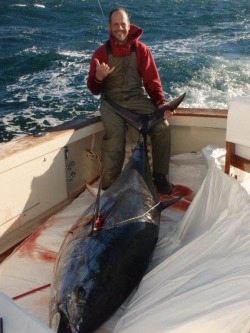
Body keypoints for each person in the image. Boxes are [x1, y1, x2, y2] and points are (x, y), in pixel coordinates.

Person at [87, 8, 174, 194]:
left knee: (162, 127)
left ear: (129, 24)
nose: (120, 28)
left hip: (136, 98)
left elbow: (151, 81)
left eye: (123, 24)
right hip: (112, 102)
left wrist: (160, 104)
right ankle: (110, 185)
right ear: (109, 26)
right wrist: (99, 77)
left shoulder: (141, 49)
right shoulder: (101, 53)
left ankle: (160, 176)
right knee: (115, 136)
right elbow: (94, 89)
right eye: (116, 25)